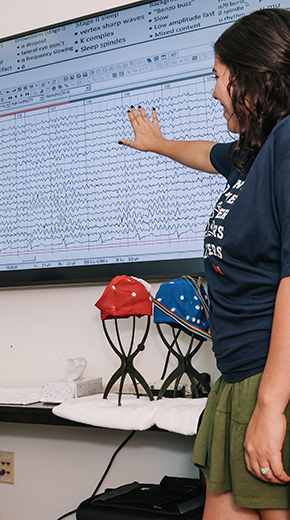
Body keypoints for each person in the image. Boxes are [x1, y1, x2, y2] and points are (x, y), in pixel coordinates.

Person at [119, 8, 290, 519]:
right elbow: (205, 153)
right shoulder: (254, 153)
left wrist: (270, 407)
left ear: (251, 79)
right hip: (237, 377)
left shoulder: (287, 141)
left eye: (218, 77)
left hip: (269, 381)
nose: (215, 92)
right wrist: (158, 145)